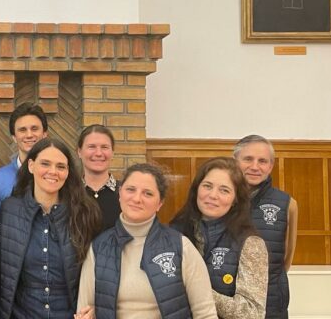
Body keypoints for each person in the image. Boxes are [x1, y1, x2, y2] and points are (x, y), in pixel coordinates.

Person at [76, 163, 218, 319]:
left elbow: (205, 313)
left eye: (148, 193)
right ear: (120, 194)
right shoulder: (98, 248)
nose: (137, 199)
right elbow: (84, 309)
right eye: (131, 190)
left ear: (160, 203)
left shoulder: (181, 247)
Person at [0, 138, 101, 318]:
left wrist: (96, 306)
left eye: (61, 166)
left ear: (68, 172)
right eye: (45, 164)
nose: (53, 172)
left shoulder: (85, 212)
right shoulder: (9, 210)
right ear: (31, 166)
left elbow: (101, 268)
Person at [171, 157, 269, 319]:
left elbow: (253, 313)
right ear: (196, 189)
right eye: (207, 186)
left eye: (224, 190)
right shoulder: (173, 232)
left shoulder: (250, 242)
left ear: (235, 199)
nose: (213, 195)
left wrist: (200, 291)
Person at [233, 135, 298, 319]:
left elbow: (287, 257)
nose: (255, 167)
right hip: (226, 299)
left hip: (271, 301)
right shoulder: (217, 200)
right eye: (248, 159)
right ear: (234, 162)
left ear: (270, 166)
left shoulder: (287, 204)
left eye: (262, 161)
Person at [0, 102, 49, 209]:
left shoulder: (56, 175)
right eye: (22, 130)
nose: (29, 135)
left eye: (34, 129)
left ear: (44, 134)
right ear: (14, 137)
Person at [78, 124, 122, 230]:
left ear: (113, 152)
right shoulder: (68, 193)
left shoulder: (126, 193)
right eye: (91, 147)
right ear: (79, 152)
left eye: (104, 147)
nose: (98, 153)